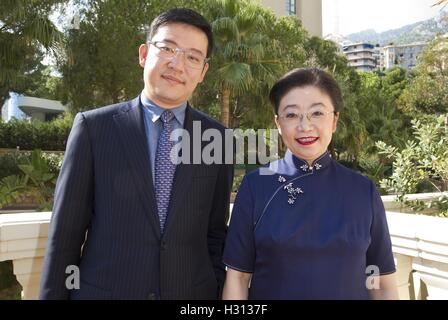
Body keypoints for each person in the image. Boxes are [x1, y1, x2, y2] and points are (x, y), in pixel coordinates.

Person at [39, 8, 233, 300]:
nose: (177, 64)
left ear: (203, 72)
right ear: (144, 54)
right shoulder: (94, 129)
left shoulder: (217, 139)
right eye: (167, 48)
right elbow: (65, 237)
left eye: (192, 57)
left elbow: (216, 234)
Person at [222, 68, 398, 300]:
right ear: (278, 123)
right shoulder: (256, 186)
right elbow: (238, 278)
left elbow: (382, 281)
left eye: (317, 113)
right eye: (292, 115)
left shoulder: (362, 190)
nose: (305, 126)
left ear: (334, 120)